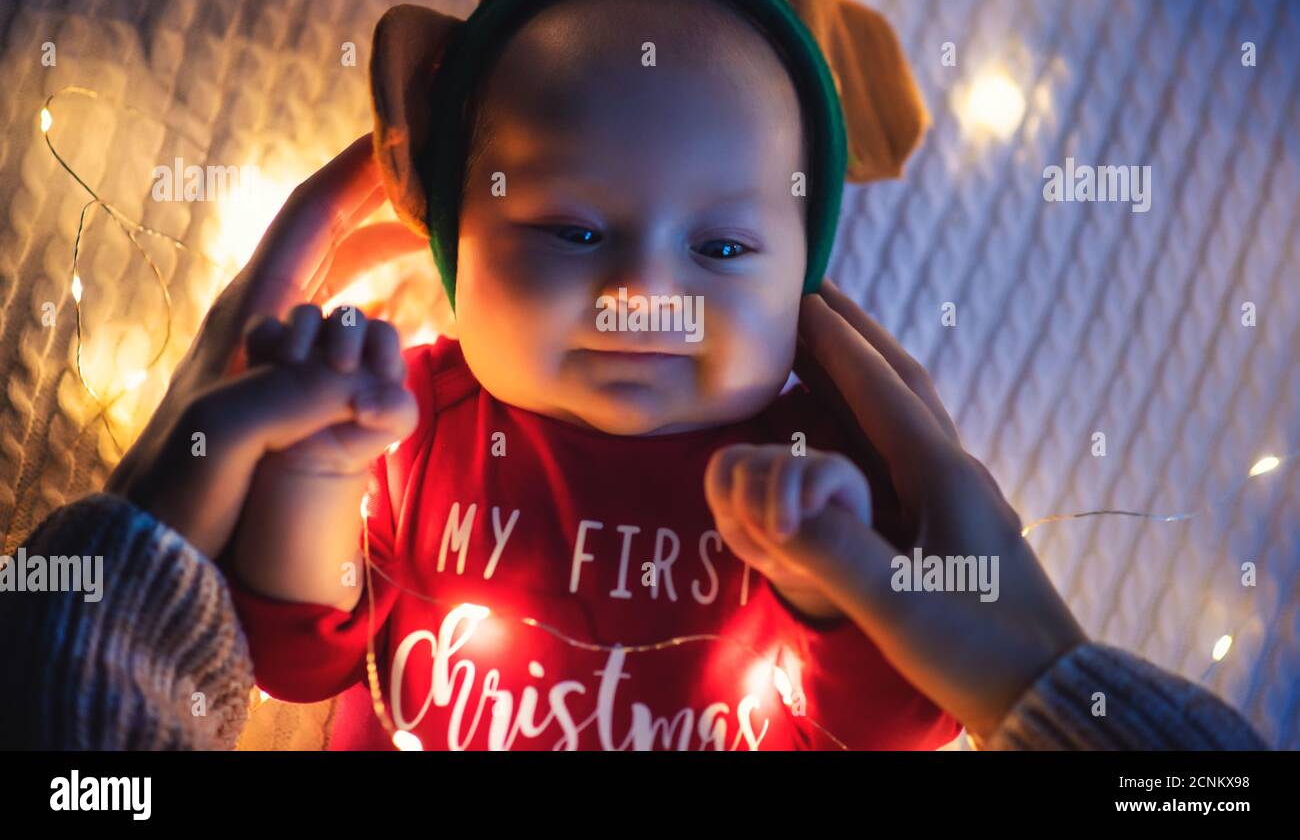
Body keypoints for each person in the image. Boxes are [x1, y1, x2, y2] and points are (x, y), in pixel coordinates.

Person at [0, 135, 1267, 751]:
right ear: (448, 243)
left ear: (802, 292)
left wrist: (830, 585)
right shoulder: (421, 410)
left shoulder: (802, 455)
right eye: (566, 228)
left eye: (722, 249)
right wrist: (324, 471)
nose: (642, 295)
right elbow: (297, 654)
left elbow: (881, 722)